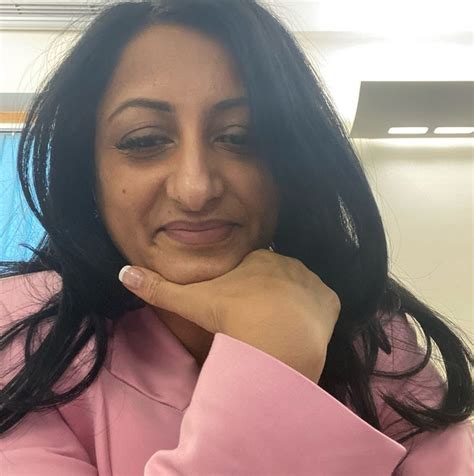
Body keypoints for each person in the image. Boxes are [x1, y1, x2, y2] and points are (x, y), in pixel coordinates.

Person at [0, 0, 472, 474]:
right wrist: (273, 368)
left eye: (240, 137)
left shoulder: (371, 333)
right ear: (88, 172)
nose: (195, 189)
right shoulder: (20, 337)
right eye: (144, 140)